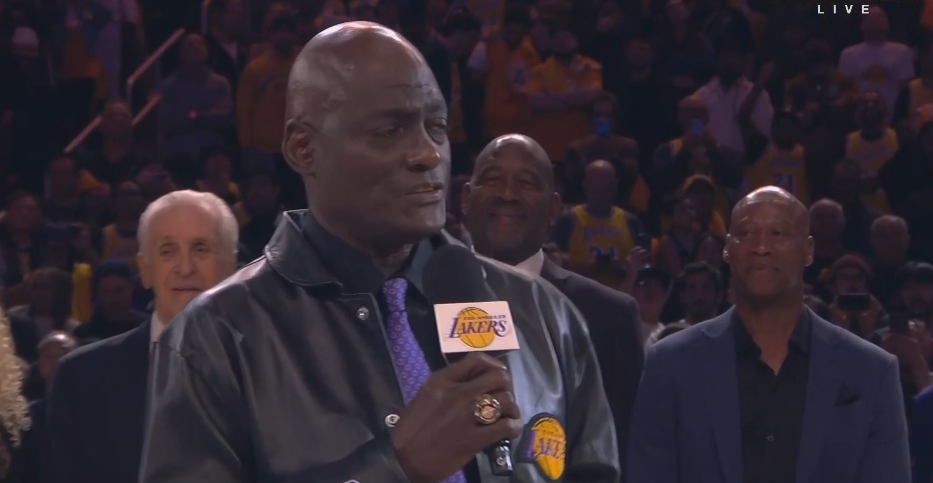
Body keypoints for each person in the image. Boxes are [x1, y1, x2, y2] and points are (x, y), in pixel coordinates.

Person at [140, 22, 619, 483]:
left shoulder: (545, 315)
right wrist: (397, 468)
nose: (429, 154)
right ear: (303, 148)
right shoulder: (215, 337)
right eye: (390, 130)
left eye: (436, 126)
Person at [628, 186, 911, 483]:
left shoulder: (871, 370)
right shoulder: (671, 363)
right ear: (727, 250)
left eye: (778, 233)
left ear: (809, 250)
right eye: (745, 233)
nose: (761, 246)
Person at [462, 133, 644, 474]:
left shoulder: (610, 316)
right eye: (493, 179)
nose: (507, 194)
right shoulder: (417, 301)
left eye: (526, 183)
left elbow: (623, 453)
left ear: (553, 209)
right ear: (465, 199)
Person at [46, 191, 239, 483]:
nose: (185, 267)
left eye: (201, 249)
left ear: (232, 267)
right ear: (145, 270)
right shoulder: (80, 378)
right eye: (167, 251)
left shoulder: (274, 372)